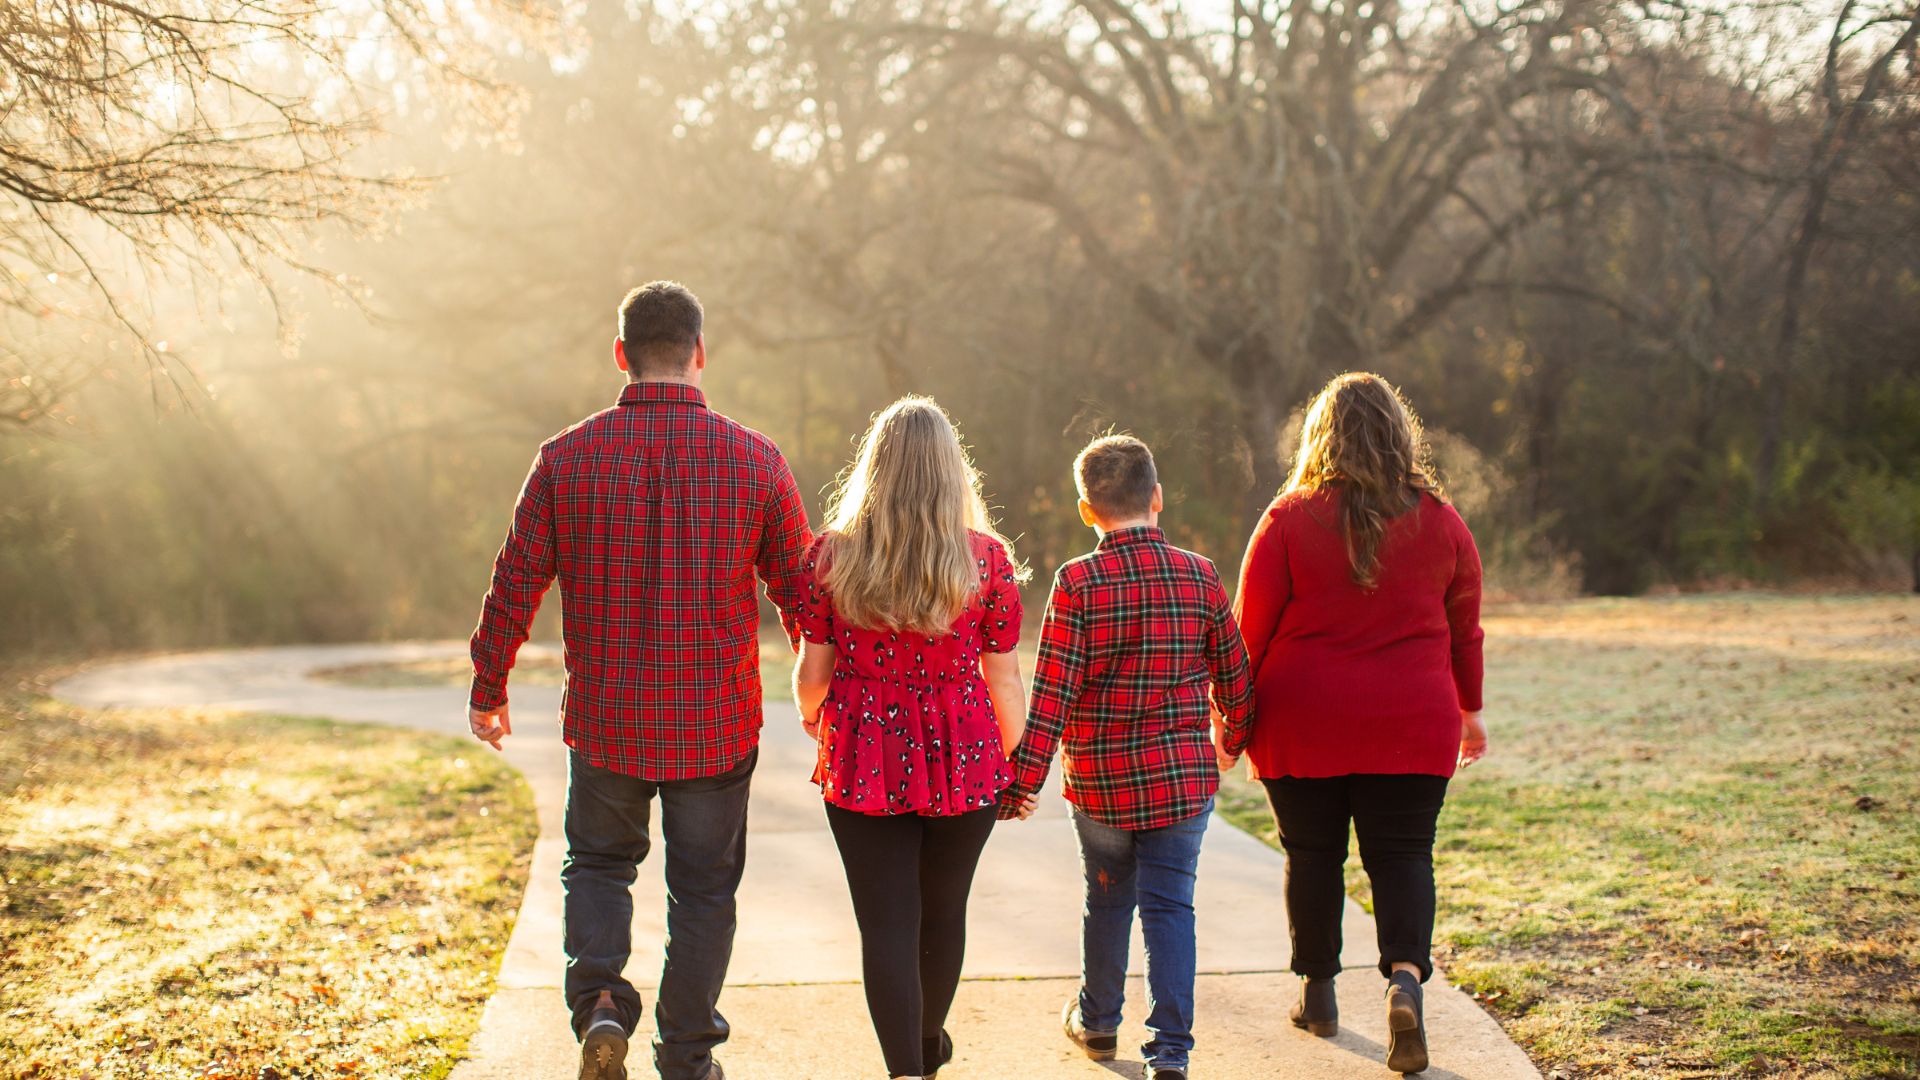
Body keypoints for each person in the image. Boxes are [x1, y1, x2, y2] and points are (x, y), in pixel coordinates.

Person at [466, 281, 813, 1080]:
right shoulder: (756, 460)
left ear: (620, 355)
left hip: (608, 719)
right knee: (703, 894)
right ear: (701, 353)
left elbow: (515, 580)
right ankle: (687, 1058)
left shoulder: (565, 458)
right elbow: (802, 592)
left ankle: (599, 1007)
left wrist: (491, 684)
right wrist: (820, 690)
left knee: (597, 865)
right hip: (715, 724)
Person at [1229, 372, 1487, 1075]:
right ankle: (1404, 981)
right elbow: (1465, 632)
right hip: (1412, 721)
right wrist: (1470, 712)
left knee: (1312, 856)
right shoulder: (1442, 522)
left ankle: (1317, 993)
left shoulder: (1288, 519)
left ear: (1322, 435)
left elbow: (1247, 636)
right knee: (1403, 856)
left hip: (1303, 720)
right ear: (1400, 435)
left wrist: (1232, 722)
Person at [996, 434, 1254, 1080]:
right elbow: (1237, 677)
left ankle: (1100, 1021)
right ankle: (1170, 1050)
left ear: (1087, 510)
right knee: (1171, 907)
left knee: (1107, 901)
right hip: (1180, 785)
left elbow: (1052, 695)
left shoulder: (1078, 582)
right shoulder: (1199, 574)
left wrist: (1022, 782)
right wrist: (1233, 735)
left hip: (1102, 787)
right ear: (1157, 497)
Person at [790, 396, 1030, 1080]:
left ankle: (907, 1068)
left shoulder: (832, 556)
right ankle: (925, 1041)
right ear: (954, 474)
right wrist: (1008, 761)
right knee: (943, 911)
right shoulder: (986, 560)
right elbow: (1006, 682)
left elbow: (813, 674)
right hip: (965, 754)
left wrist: (816, 716)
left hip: (863, 750)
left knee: (887, 922)